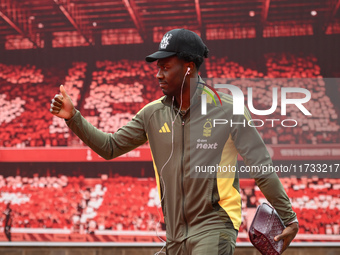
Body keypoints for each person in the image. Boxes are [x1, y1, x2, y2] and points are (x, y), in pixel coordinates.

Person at [50, 28, 298, 254]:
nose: (158, 75)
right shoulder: (152, 113)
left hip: (215, 228)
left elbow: (261, 166)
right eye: (158, 68)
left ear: (189, 67)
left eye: (166, 67)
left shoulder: (228, 110)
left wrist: (289, 218)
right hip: (174, 237)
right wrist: (73, 117)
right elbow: (110, 147)